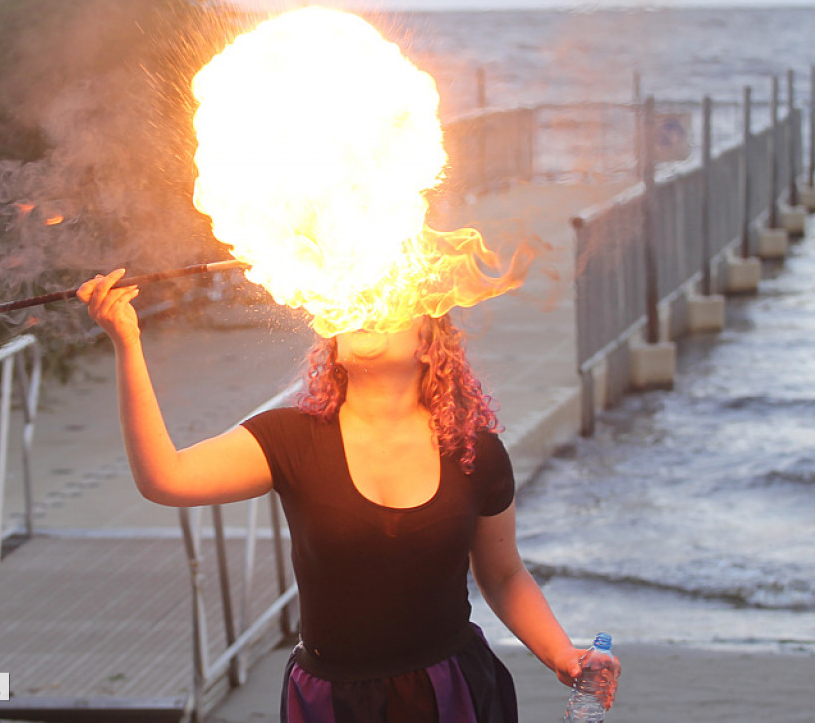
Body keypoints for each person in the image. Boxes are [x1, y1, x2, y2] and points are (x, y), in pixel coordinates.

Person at [78, 268, 619, 722]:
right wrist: (127, 344)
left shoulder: (473, 452)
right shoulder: (289, 437)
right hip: (331, 700)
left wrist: (562, 655)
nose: (367, 306)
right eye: (356, 298)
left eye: (390, 298)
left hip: (449, 690)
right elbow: (164, 479)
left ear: (428, 342)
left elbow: (503, 575)